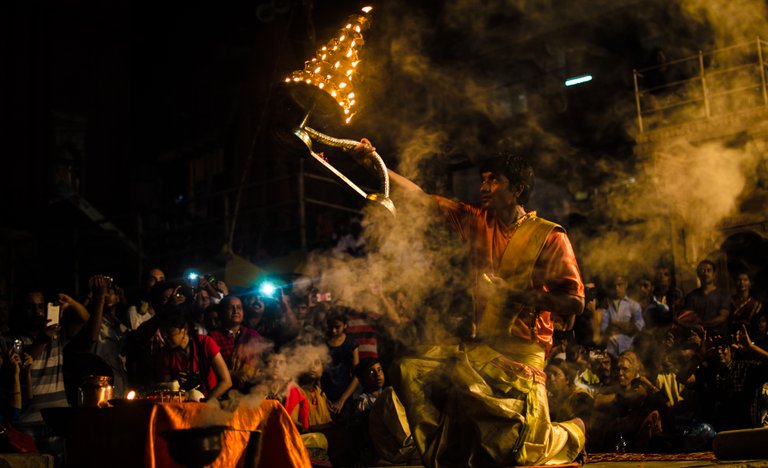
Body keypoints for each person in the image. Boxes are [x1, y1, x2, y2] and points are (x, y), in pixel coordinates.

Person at [354, 139, 586, 466]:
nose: (484, 186)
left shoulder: (550, 236)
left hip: (523, 354)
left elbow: (575, 303)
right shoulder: (477, 220)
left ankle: (573, 431)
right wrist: (373, 161)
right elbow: (421, 199)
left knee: (516, 454)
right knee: (411, 369)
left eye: (494, 180)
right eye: (483, 179)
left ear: (517, 189)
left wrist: (514, 294)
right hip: (481, 350)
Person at [155, 308, 232, 400]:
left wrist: (205, 403)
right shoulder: (165, 354)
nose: (165, 337)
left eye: (169, 332)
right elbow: (165, 389)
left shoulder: (205, 343)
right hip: (182, 404)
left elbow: (226, 381)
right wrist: (174, 382)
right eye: (163, 332)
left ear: (184, 329)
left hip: (209, 402)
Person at [680, 260, 730, 337]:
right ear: (698, 274)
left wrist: (701, 325)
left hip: (719, 338)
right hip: (697, 338)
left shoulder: (723, 295)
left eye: (708, 270)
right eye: (702, 270)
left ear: (714, 274)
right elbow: (688, 319)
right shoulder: (691, 296)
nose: (705, 273)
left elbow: (722, 318)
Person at [600, 275, 645, 357]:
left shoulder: (634, 305)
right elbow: (604, 329)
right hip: (611, 354)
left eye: (620, 285)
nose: (617, 288)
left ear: (626, 285)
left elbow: (638, 328)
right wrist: (626, 326)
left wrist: (615, 324)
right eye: (614, 286)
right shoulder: (606, 306)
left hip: (629, 352)